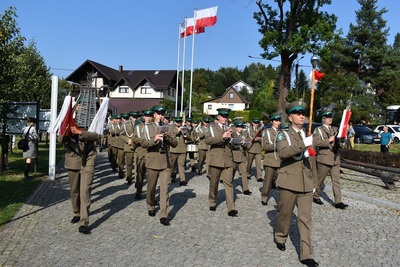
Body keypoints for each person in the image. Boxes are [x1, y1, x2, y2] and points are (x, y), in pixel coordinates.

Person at [274, 100, 318, 267]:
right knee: (284, 215)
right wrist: (303, 144)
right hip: (289, 181)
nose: (302, 116)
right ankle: (280, 236)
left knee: (305, 219)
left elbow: (311, 161)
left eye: (303, 113)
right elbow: (283, 152)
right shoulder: (283, 134)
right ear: (291, 117)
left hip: (305, 183)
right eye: (298, 114)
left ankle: (307, 255)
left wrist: (313, 181)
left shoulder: (307, 134)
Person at [58, 103, 99, 234]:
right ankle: (76, 212)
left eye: (86, 106)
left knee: (85, 190)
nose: (83, 108)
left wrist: (81, 132)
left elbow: (98, 136)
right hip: (73, 159)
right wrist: (67, 130)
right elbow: (60, 139)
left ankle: (84, 222)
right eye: (80, 105)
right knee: (74, 190)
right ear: (76, 107)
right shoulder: (68, 119)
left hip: (88, 158)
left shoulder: (94, 120)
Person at [141, 104, 177, 226]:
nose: (161, 116)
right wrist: (154, 139)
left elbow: (175, 143)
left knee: (165, 189)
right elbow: (144, 144)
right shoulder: (148, 127)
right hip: (152, 161)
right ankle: (150, 205)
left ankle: (163, 214)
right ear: (154, 114)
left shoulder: (169, 127)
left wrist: (167, 137)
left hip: (165, 162)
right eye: (158, 114)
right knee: (151, 187)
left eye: (162, 114)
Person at [313, 110, 348, 209]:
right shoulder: (318, 130)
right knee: (320, 180)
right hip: (324, 159)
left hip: (335, 159)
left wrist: (344, 134)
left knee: (336, 181)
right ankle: (315, 196)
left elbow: (341, 139)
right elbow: (316, 143)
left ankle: (338, 201)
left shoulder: (335, 129)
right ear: (323, 119)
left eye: (331, 117)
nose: (330, 119)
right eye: (328, 118)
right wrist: (328, 140)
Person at [205, 108, 237, 217]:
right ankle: (212, 201)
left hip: (228, 159)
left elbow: (236, 141)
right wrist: (222, 137)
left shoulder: (230, 128)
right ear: (218, 117)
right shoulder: (211, 127)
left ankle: (231, 208)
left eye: (226, 116)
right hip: (216, 159)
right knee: (214, 183)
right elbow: (208, 140)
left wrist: (233, 135)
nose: (225, 118)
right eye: (223, 116)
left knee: (228, 183)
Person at [261, 112, 281, 206]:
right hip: (270, 160)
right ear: (272, 122)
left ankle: (280, 200)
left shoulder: (282, 132)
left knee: (280, 181)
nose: (278, 122)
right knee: (268, 180)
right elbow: (265, 146)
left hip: (280, 160)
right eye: (276, 120)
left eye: (279, 120)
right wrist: (277, 144)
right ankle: (264, 197)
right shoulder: (267, 132)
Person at [231, 121, 252, 195]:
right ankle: (229, 185)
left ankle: (245, 189)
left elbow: (247, 145)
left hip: (242, 156)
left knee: (244, 173)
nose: (240, 129)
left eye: (241, 127)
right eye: (238, 127)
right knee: (232, 172)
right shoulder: (232, 134)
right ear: (236, 127)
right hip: (235, 155)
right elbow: (231, 144)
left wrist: (247, 145)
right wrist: (239, 142)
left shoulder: (244, 135)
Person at [170, 117, 190, 186]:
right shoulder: (171, 128)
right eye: (177, 122)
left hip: (182, 150)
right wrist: (177, 131)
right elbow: (170, 136)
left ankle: (182, 180)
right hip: (173, 149)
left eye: (180, 122)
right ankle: (173, 176)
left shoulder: (184, 128)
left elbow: (189, 137)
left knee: (181, 165)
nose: (179, 123)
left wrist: (185, 134)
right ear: (175, 122)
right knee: (173, 165)